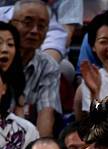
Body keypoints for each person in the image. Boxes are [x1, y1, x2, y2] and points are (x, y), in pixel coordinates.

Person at [10, 0, 62, 136]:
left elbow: (46, 115)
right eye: (28, 23)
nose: (34, 31)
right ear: (12, 24)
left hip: (25, 142)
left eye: (42, 26)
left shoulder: (48, 66)